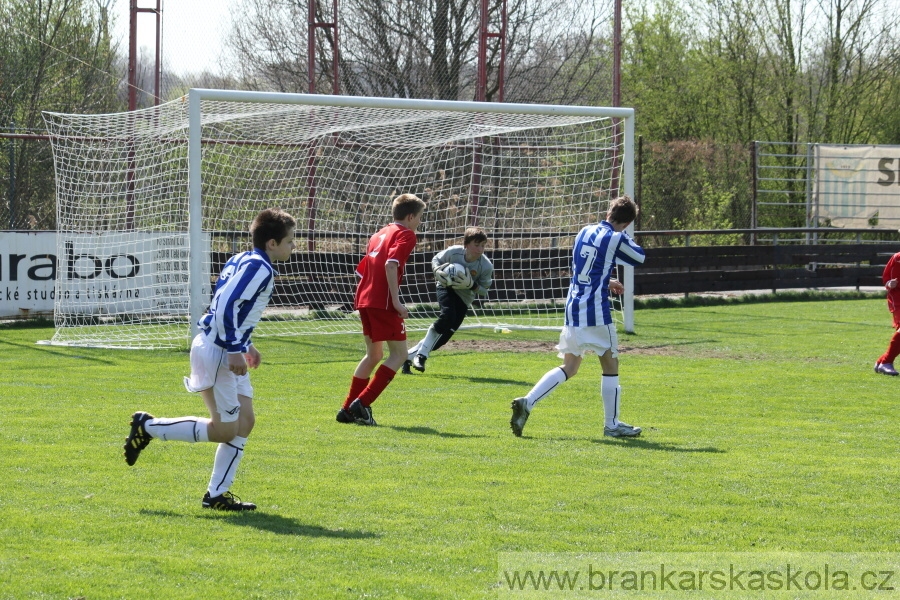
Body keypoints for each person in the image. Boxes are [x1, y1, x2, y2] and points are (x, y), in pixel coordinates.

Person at [123, 208, 297, 511]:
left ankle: (216, 495)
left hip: (223, 345)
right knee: (226, 429)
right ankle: (148, 426)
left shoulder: (242, 259)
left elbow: (229, 307)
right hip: (217, 350)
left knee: (245, 422)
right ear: (272, 243)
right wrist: (233, 348)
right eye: (290, 241)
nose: (293, 246)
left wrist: (246, 344)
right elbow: (228, 304)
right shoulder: (261, 268)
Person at [509, 195, 646, 438]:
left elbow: (586, 269)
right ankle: (611, 425)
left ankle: (528, 402)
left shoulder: (584, 231)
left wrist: (607, 280)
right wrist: (623, 235)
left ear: (608, 213)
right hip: (596, 312)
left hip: (573, 308)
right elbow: (639, 257)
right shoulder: (615, 237)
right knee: (611, 364)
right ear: (626, 224)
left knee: (570, 366)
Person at [336, 193, 427, 426]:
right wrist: (396, 302)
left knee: (373, 355)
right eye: (419, 218)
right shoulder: (406, 234)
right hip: (383, 302)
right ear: (409, 216)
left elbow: (362, 270)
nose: (419, 223)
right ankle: (362, 404)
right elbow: (391, 263)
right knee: (399, 354)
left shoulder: (378, 234)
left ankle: (347, 408)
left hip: (364, 298)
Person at [402, 227, 494, 374]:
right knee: (447, 316)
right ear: (466, 244)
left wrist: (472, 285)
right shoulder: (454, 252)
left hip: (464, 298)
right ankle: (421, 355)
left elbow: (484, 290)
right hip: (445, 287)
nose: (480, 249)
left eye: (483, 245)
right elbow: (436, 259)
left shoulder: (486, 266)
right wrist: (437, 270)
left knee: (442, 339)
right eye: (476, 245)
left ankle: (406, 357)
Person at [875, 251, 900, 375]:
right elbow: (887, 279)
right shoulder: (897, 258)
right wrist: (890, 283)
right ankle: (886, 362)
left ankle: (882, 361)